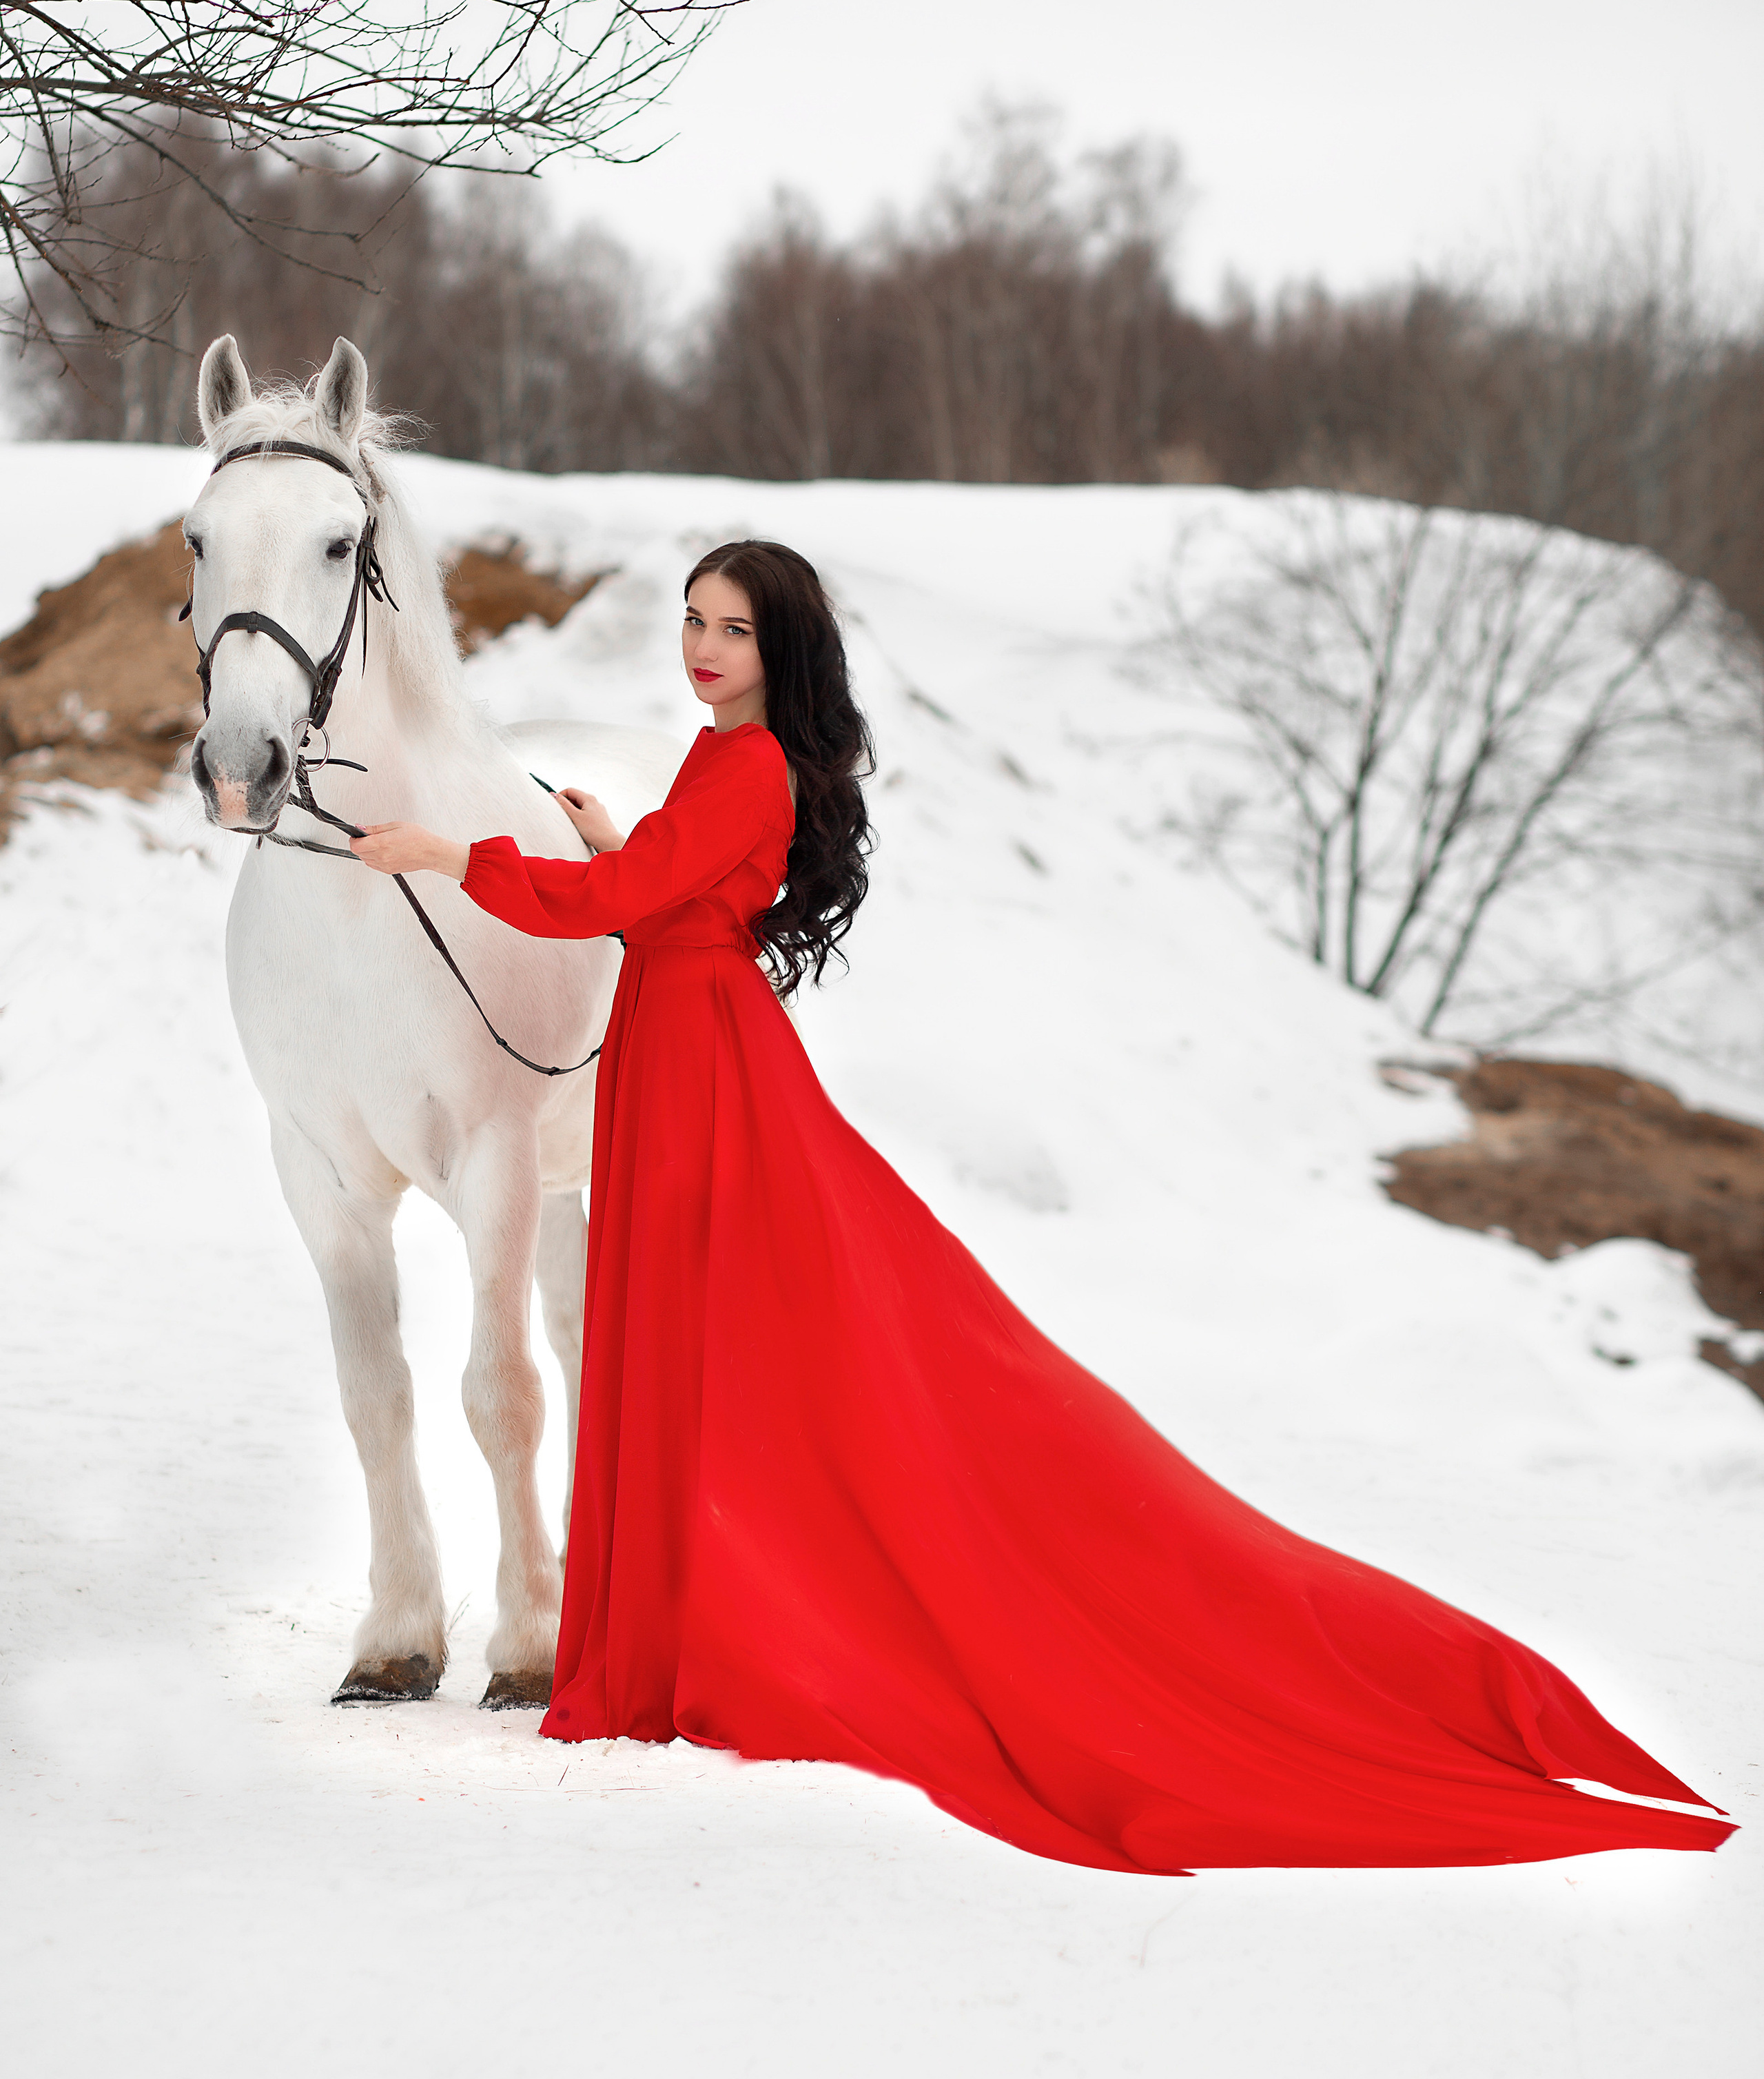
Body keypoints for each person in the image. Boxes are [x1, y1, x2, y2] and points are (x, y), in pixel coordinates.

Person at [351, 540, 1732, 1875]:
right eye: (696, 624)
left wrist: (450, 853)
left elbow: (623, 899)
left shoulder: (756, 763)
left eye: (733, 632)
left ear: (783, 656)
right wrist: (624, 837)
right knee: (673, 1344)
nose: (702, 653)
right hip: (680, 1039)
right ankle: (658, 1632)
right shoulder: (722, 760)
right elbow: (664, 885)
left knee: (762, 1348)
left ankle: (706, 1628)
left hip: (707, 1068)